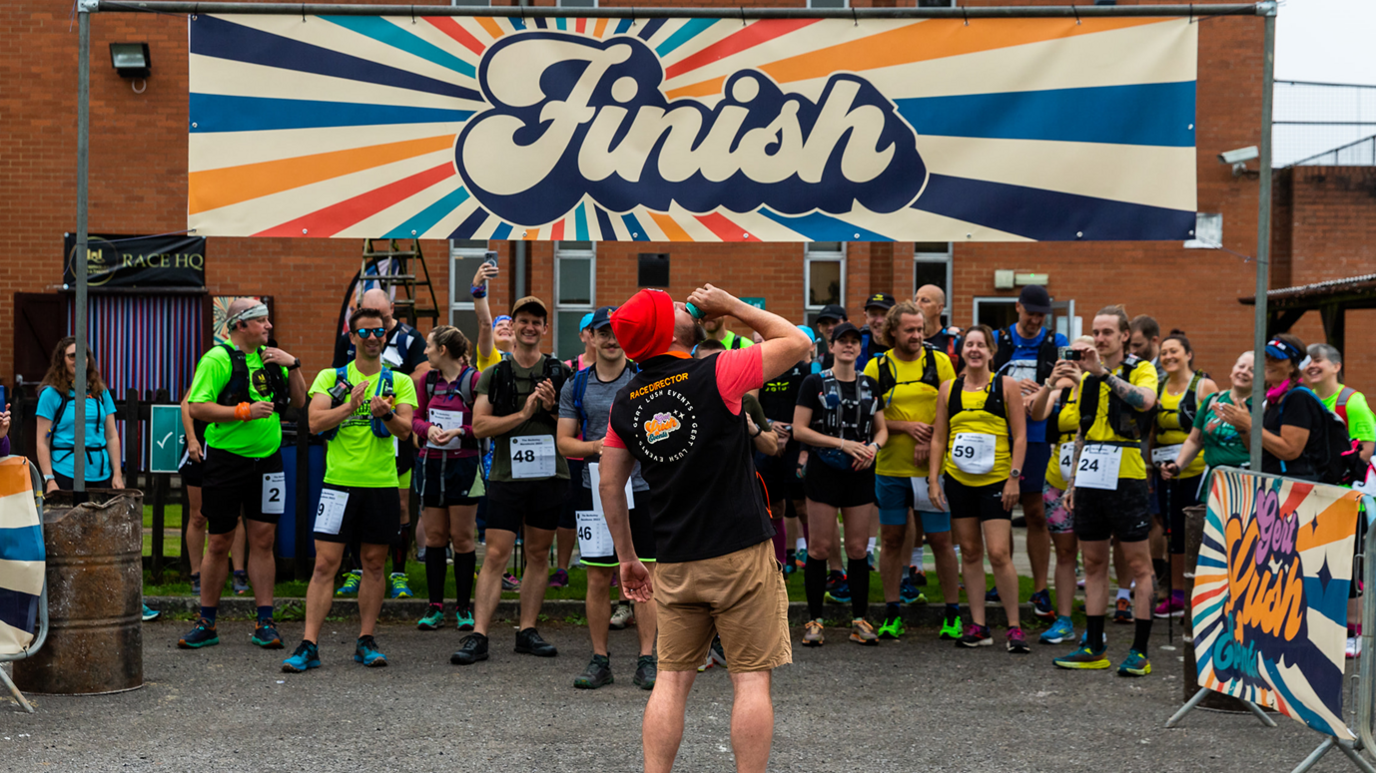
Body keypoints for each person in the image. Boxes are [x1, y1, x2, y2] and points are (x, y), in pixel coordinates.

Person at [598, 284, 811, 773]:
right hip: (739, 551)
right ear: (667, 329)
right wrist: (736, 306)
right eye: (671, 305)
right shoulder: (717, 370)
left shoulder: (626, 402)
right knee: (751, 679)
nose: (682, 305)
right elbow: (798, 343)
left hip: (673, 560)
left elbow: (610, 486)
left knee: (671, 680)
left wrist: (628, 556)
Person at [284, 306, 418, 672]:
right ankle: (309, 644)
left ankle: (366, 639)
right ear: (352, 337)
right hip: (339, 484)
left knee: (375, 564)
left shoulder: (399, 381)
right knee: (325, 564)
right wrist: (350, 406)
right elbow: (313, 422)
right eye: (365, 333)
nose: (372, 338)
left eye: (379, 332)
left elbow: (406, 431)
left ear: (385, 336)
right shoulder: (332, 376)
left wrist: (386, 414)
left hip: (381, 484)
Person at [181, 300, 307, 650]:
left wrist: (293, 365)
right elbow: (198, 406)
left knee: (263, 540)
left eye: (268, 320)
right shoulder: (217, 359)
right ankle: (207, 621)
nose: (268, 326)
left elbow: (299, 402)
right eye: (261, 321)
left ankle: (265, 621)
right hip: (226, 462)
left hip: (268, 462)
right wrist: (243, 411)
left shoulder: (272, 358)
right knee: (219, 540)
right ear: (241, 326)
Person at [451, 296, 570, 666]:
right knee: (497, 555)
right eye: (523, 321)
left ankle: (527, 630)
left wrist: (550, 408)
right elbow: (481, 425)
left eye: (537, 321)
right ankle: (480, 634)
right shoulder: (495, 374)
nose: (530, 327)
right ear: (514, 326)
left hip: (550, 476)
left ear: (545, 329)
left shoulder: (559, 372)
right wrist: (523, 413)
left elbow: (574, 426)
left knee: (538, 554)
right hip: (507, 475)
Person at [1052, 305, 1159, 677]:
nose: (1099, 339)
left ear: (1124, 335)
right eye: (1095, 332)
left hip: (1127, 473)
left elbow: (1145, 401)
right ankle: (1094, 645)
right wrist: (1073, 482)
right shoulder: (1087, 375)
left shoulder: (1138, 368)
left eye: (1107, 333)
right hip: (1091, 475)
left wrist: (1103, 372)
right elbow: (1082, 430)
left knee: (1138, 564)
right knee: (1093, 562)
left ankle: (1140, 651)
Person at [557, 306, 659, 690]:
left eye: (617, 332)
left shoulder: (645, 379)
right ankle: (600, 658)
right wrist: (599, 446)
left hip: (643, 489)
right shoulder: (576, 385)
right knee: (599, 577)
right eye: (603, 333)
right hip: (595, 488)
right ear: (591, 338)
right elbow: (564, 440)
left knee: (646, 575)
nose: (611, 339)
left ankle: (647, 658)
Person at [863, 300, 962, 642]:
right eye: (910, 330)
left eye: (920, 329)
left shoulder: (939, 362)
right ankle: (892, 613)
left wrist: (931, 436)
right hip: (890, 470)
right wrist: (907, 428)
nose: (917, 335)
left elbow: (952, 408)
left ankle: (953, 613)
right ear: (893, 332)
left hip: (930, 471)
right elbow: (868, 418)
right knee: (891, 539)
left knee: (940, 540)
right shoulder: (878, 368)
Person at [929, 325, 1028, 652]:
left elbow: (1021, 435)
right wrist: (933, 479)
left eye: (980, 345)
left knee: (999, 553)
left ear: (990, 351)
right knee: (970, 552)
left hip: (997, 480)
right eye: (969, 344)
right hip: (959, 481)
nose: (974, 350)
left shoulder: (1006, 385)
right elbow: (939, 437)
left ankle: (1013, 626)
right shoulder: (949, 389)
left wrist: (1014, 476)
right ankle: (979, 625)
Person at [792, 321, 888, 646]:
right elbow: (799, 430)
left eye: (854, 341)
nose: (848, 345)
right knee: (819, 548)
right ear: (830, 347)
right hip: (825, 469)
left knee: (858, 549)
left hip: (860, 471)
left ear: (860, 348)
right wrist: (842, 444)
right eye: (841, 341)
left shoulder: (870, 385)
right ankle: (815, 620)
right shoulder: (814, 382)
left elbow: (882, 429)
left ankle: (860, 619)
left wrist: (873, 447)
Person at [332, 289, 427, 602]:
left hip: (393, 431)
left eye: (382, 321)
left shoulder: (411, 339)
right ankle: (355, 569)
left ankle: (398, 573)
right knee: (352, 513)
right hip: (353, 446)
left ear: (392, 313)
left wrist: (391, 387)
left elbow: (425, 370)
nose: (373, 330)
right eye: (367, 320)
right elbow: (335, 379)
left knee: (400, 505)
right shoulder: (349, 339)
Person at [989, 284, 1067, 623]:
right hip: (997, 435)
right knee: (999, 509)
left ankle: (1039, 587)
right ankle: (1000, 580)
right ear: (1018, 308)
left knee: (1035, 512)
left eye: (1040, 315)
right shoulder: (998, 338)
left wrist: (1040, 397)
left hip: (1036, 436)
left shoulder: (1056, 343)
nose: (1035, 320)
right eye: (1030, 313)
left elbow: (1063, 384)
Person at [1304, 343, 1374, 658]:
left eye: (1318, 360)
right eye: (1308, 361)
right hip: (1316, 495)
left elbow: (1367, 447)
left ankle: (1356, 632)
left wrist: (1342, 479)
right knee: (1321, 561)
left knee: (1349, 563)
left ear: (1336, 366)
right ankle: (1328, 626)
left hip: (1348, 497)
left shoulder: (1351, 401)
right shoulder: (1306, 400)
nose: (1312, 365)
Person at [411, 325, 483, 634]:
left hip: (463, 467)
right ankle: (435, 606)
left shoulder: (474, 380)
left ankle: (464, 608)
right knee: (436, 537)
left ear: (442, 350)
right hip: (431, 466)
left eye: (428, 347)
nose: (425, 352)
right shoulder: (427, 382)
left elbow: (482, 425)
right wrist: (427, 430)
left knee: (464, 539)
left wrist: (459, 432)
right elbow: (414, 418)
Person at [1146, 333, 1217, 619]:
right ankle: (1176, 594)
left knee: (1195, 532)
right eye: (1163, 353)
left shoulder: (1204, 386)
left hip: (1196, 471)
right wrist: (1152, 468)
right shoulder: (1159, 385)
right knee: (1172, 532)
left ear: (1188, 354)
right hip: (1165, 472)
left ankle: (1199, 594)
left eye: (1174, 351)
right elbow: (1151, 431)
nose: (1168, 357)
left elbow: (1214, 428)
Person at [1030, 335, 1095, 645]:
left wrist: (1082, 380)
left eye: (1082, 354)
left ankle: (1097, 625)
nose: (1076, 359)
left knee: (1095, 555)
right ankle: (1065, 620)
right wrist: (1050, 382)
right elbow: (1037, 413)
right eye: (1072, 354)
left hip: (1093, 483)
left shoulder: (1097, 384)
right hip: (1057, 482)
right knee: (1065, 553)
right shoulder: (1061, 388)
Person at [1216, 335, 1328, 481]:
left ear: (1293, 367)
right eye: (1266, 357)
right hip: (1274, 484)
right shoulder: (1272, 398)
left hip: (1297, 488)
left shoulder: (1298, 397)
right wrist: (1241, 427)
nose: (1268, 363)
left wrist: (1250, 424)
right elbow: (1258, 452)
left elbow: (1290, 451)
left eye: (1276, 358)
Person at [180, 390, 247, 597]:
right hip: (201, 445)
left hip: (230, 445)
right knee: (198, 515)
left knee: (234, 515)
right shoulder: (212, 363)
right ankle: (196, 574)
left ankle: (238, 572)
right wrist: (191, 439)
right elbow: (186, 404)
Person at [552, 311, 602, 590]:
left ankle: (607, 562)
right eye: (591, 331)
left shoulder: (624, 368)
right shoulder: (570, 368)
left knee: (607, 512)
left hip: (608, 454)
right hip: (574, 453)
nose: (596, 337)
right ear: (584, 335)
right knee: (568, 513)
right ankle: (562, 568)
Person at [35, 338, 123, 493]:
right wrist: (50, 480)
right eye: (72, 356)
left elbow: (111, 436)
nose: (79, 360)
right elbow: (42, 441)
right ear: (61, 361)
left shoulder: (100, 392)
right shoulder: (51, 394)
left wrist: (117, 473)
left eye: (84, 355)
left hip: (101, 475)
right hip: (65, 474)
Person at [915, 284, 962, 372]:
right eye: (916, 300)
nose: (917, 304)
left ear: (939, 308)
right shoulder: (909, 340)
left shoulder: (954, 342)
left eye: (924, 300)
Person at [856, 293, 894, 371]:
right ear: (866, 317)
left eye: (884, 314)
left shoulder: (903, 344)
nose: (879, 321)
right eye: (874, 314)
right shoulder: (857, 343)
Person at [813, 304, 847, 371]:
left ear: (847, 324)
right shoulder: (818, 362)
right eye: (825, 323)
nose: (830, 327)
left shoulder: (859, 356)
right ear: (820, 327)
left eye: (835, 322)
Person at [1129, 315, 1164, 380]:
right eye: (1129, 345)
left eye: (1137, 345)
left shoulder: (1168, 369)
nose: (1132, 351)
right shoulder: (1128, 367)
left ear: (1154, 340)